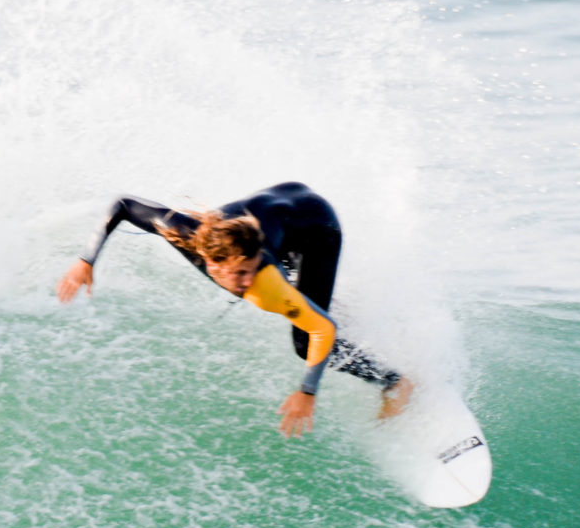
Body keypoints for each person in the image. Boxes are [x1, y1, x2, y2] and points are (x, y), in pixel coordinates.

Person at [56, 181, 409, 437]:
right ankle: (319, 301)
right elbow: (123, 204)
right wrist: (87, 260)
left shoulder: (264, 281)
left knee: (306, 342)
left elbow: (324, 331)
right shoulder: (187, 234)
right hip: (283, 207)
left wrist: (307, 391)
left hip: (317, 228)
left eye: (251, 269)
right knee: (304, 302)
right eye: (239, 274)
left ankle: (394, 383)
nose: (246, 280)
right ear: (211, 261)